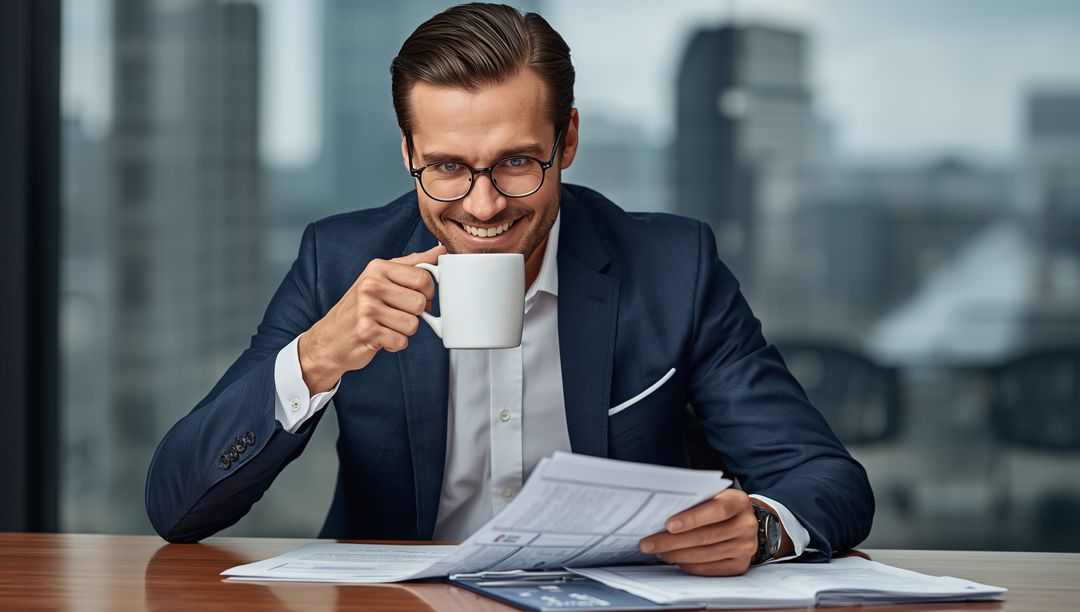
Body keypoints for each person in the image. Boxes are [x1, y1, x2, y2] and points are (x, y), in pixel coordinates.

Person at [146, 3, 873, 577]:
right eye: (448, 168)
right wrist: (313, 360)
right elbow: (176, 507)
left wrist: (763, 528)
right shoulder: (338, 261)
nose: (485, 205)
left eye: (518, 162)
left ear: (569, 141)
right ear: (408, 153)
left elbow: (823, 476)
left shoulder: (672, 266)